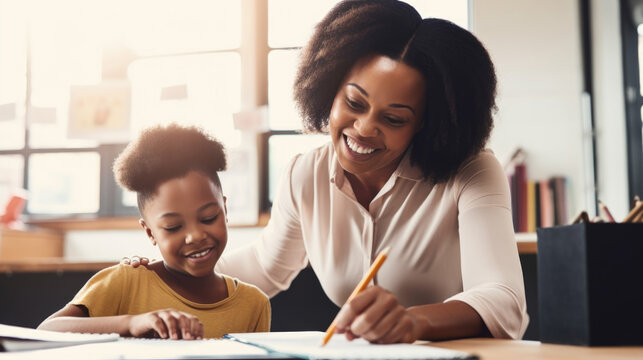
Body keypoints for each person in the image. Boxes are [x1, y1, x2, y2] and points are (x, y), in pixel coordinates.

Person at [128, 0, 528, 343]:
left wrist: (413, 320)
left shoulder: (471, 171)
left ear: (425, 123)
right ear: (330, 88)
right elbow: (266, 267)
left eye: (393, 118)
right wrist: (166, 276)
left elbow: (504, 301)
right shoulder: (306, 174)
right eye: (354, 103)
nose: (365, 129)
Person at [39, 124, 271, 339]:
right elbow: (46, 331)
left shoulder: (254, 304)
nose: (195, 236)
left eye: (208, 218)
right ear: (149, 232)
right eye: (173, 227)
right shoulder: (126, 282)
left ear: (225, 209)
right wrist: (130, 324)